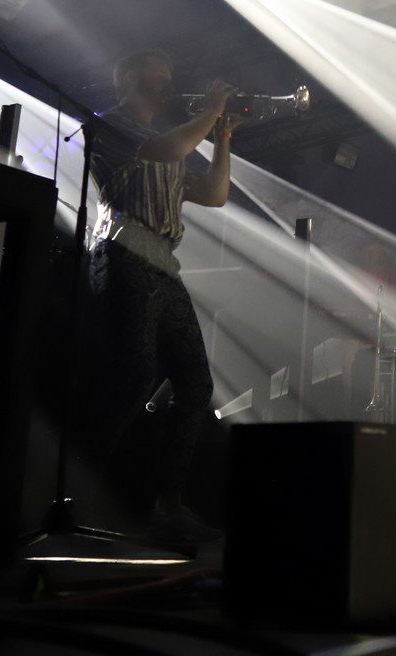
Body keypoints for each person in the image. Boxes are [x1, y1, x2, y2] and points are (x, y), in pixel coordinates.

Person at [84, 48, 236, 543]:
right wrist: (210, 111)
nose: (169, 81)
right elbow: (167, 150)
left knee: (195, 384)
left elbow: (213, 194)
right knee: (131, 379)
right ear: (129, 77)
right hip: (125, 253)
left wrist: (222, 137)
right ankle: (82, 497)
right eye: (159, 73)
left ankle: (167, 506)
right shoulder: (110, 123)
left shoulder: (173, 140)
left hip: (163, 265)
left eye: (170, 73)